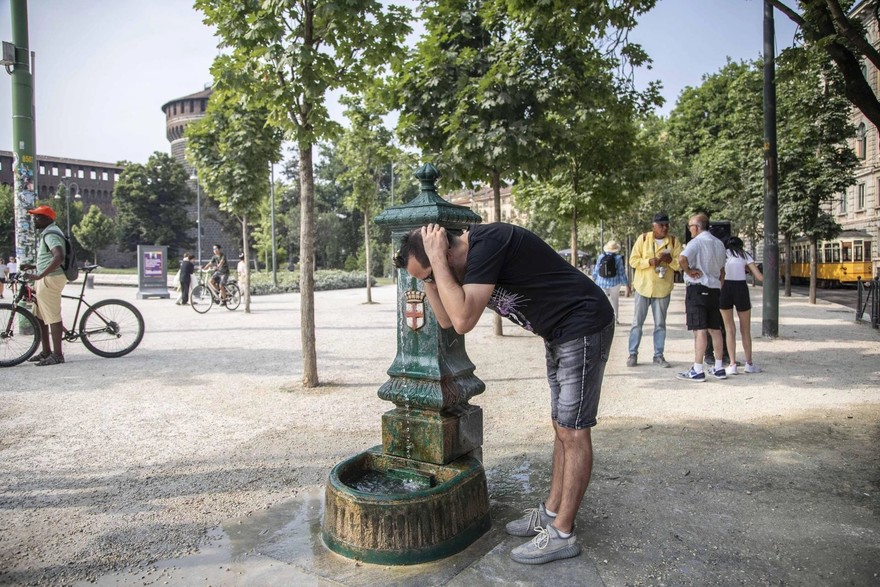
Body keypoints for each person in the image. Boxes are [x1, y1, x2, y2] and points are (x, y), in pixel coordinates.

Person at [394, 222, 614, 565]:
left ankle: (563, 533)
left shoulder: (489, 243)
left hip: (582, 323)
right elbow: (446, 319)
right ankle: (551, 511)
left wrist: (436, 262)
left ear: (447, 254)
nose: (433, 280)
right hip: (559, 332)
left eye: (434, 271)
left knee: (574, 429)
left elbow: (464, 319)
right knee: (561, 425)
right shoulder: (456, 264)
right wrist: (430, 277)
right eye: (428, 277)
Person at [677, 213, 727, 382]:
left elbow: (682, 258)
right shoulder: (719, 243)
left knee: (700, 330)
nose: (689, 229)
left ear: (697, 227)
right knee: (715, 329)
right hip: (714, 289)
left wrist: (689, 271)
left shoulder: (696, 242)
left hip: (697, 289)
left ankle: (698, 369)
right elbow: (722, 270)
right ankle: (719, 367)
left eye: (690, 226)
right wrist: (718, 284)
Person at [627, 213, 682, 368]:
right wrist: (648, 262)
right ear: (654, 226)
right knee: (637, 322)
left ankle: (658, 355)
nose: (664, 228)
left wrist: (670, 261)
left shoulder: (673, 241)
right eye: (661, 225)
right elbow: (633, 261)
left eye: (667, 225)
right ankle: (632, 354)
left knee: (660, 324)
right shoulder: (643, 239)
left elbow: (680, 265)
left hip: (662, 289)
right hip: (643, 287)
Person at [20, 205, 67, 366]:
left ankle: (57, 354)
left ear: (48, 219)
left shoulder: (50, 234)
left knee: (52, 316)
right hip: (47, 277)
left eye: (38, 217)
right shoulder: (49, 232)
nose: (34, 220)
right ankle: (46, 351)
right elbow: (49, 258)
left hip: (50, 279)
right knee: (39, 315)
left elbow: (59, 256)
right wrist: (34, 267)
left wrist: (40, 274)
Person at [720, 237, 764, 375]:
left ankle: (732, 364)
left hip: (725, 288)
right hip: (741, 289)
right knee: (745, 330)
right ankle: (749, 363)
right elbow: (759, 277)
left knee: (729, 328)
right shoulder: (744, 255)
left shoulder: (723, 255)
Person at [592, 240, 630, 324]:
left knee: (602, 300)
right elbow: (621, 272)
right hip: (615, 283)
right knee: (614, 300)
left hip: (601, 282)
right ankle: (615, 319)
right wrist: (626, 284)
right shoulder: (618, 258)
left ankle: (602, 319)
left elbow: (596, 270)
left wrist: (594, 279)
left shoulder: (601, 256)